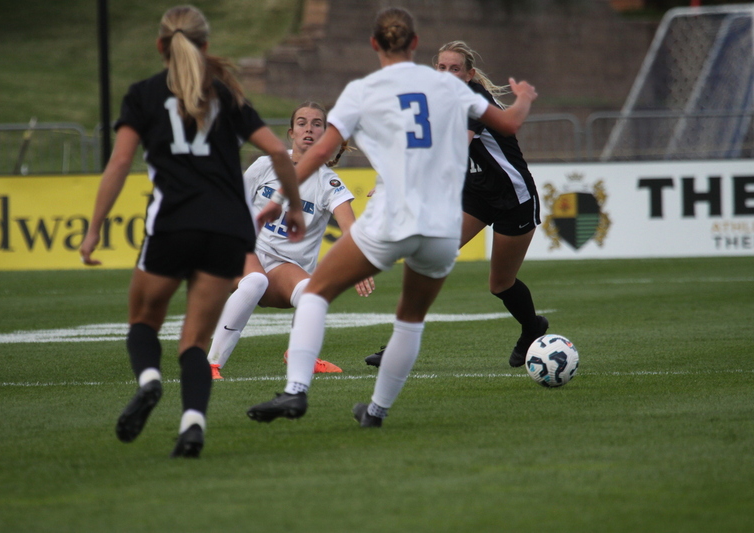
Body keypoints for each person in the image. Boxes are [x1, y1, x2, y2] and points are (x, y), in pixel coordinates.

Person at [246, 6, 537, 427]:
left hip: (390, 220)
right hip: (439, 225)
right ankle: (376, 411)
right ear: (416, 45)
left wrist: (280, 198)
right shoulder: (450, 89)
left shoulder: (363, 91)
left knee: (314, 295)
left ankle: (295, 391)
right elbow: (508, 125)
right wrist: (525, 97)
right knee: (410, 320)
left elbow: (323, 151)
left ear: (373, 45)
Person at [79, 5, 305, 458]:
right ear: (204, 46)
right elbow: (280, 153)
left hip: (172, 224)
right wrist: (294, 206)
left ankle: (148, 382)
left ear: (161, 46)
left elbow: (120, 162)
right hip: (225, 230)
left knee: (144, 319)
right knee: (196, 342)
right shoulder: (225, 94)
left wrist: (94, 229)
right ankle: (192, 424)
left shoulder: (143, 94)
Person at [364, 40, 548, 370]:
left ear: (469, 75)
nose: (447, 74)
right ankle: (397, 345)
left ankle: (532, 328)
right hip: (475, 195)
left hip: (513, 198)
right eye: (441, 67)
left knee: (500, 284)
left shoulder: (472, 100)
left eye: (455, 69)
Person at [207, 101, 374, 379]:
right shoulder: (265, 165)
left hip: (281, 268)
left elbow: (349, 228)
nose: (309, 129)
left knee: (314, 292)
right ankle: (211, 364)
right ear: (291, 133)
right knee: (254, 281)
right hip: (245, 252)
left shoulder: (328, 183)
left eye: (317, 124)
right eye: (302, 123)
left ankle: (300, 354)